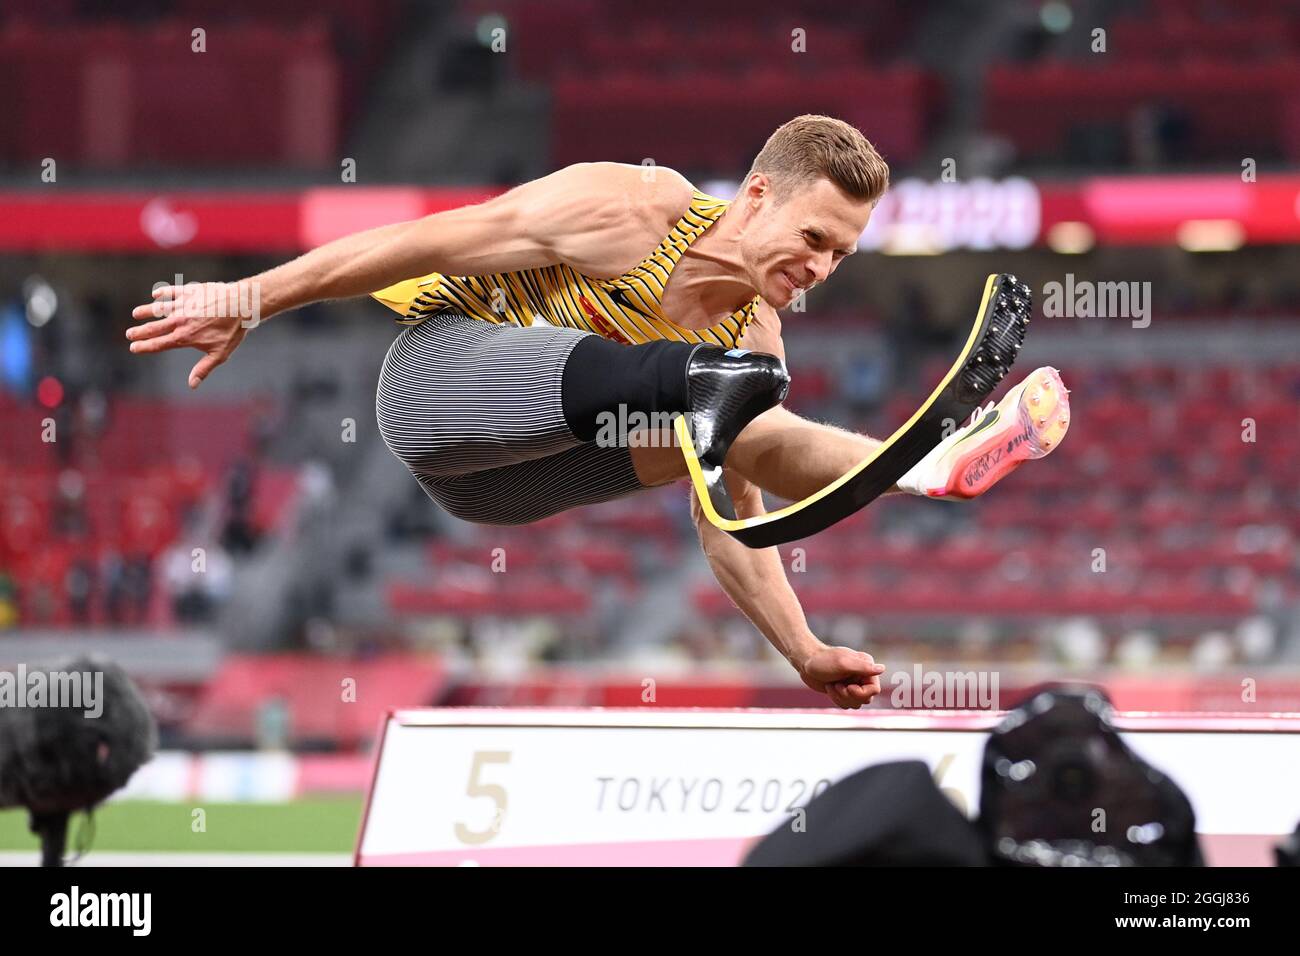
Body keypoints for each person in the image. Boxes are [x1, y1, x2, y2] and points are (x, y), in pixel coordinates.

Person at [126, 115, 1068, 710]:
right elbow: (414, 241)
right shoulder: (630, 209)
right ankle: (720, 397)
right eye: (815, 238)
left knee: (733, 425)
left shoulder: (759, 339)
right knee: (708, 391)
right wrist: (246, 299)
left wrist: (804, 649)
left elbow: (731, 525)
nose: (822, 268)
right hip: (435, 387)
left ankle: (925, 468)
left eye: (842, 258)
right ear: (756, 196)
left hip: (502, 490)